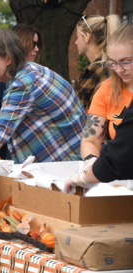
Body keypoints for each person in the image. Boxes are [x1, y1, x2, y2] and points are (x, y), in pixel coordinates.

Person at [0, 29, 86, 169]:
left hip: (68, 170)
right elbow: (19, 121)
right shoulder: (29, 72)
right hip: (67, 166)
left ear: (8, 58)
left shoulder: (24, 82)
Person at [65, 23, 133, 193]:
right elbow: (90, 139)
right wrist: (90, 161)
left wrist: (88, 176)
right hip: (113, 181)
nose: (119, 70)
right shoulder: (106, 89)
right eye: (113, 63)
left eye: (126, 62)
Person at [72, 14, 121, 110]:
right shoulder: (94, 68)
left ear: (87, 36)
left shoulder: (102, 70)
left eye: (78, 37)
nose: (76, 42)